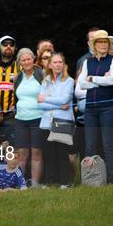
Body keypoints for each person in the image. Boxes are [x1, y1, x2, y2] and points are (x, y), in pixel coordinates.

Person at [78, 30, 113, 184]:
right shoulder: (88, 62)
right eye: (100, 42)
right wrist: (102, 79)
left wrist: (93, 78)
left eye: (105, 42)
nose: (103, 44)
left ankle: (111, 181)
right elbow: (82, 84)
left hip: (108, 107)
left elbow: (112, 81)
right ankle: (91, 181)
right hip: (90, 109)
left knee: (108, 145)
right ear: (94, 45)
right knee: (90, 145)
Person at [38, 53, 75, 188]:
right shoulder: (45, 80)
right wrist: (58, 105)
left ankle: (65, 182)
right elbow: (39, 104)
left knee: (62, 154)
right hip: (46, 122)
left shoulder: (69, 81)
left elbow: (65, 100)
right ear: (50, 65)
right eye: (55, 62)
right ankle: (49, 182)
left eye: (60, 62)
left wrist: (46, 99)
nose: (58, 65)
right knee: (48, 155)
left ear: (64, 64)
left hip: (62, 121)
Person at [12, 48, 45, 186]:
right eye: (23, 60)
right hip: (20, 119)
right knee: (22, 153)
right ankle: (21, 184)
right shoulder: (18, 77)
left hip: (38, 117)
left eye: (29, 59)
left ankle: (36, 183)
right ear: (19, 62)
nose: (26, 62)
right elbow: (16, 97)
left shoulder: (41, 74)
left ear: (33, 59)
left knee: (36, 152)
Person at [0, 35, 20, 119]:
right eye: (5, 44)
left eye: (11, 44)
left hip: (13, 116)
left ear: (15, 48)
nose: (8, 46)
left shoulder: (21, 68)